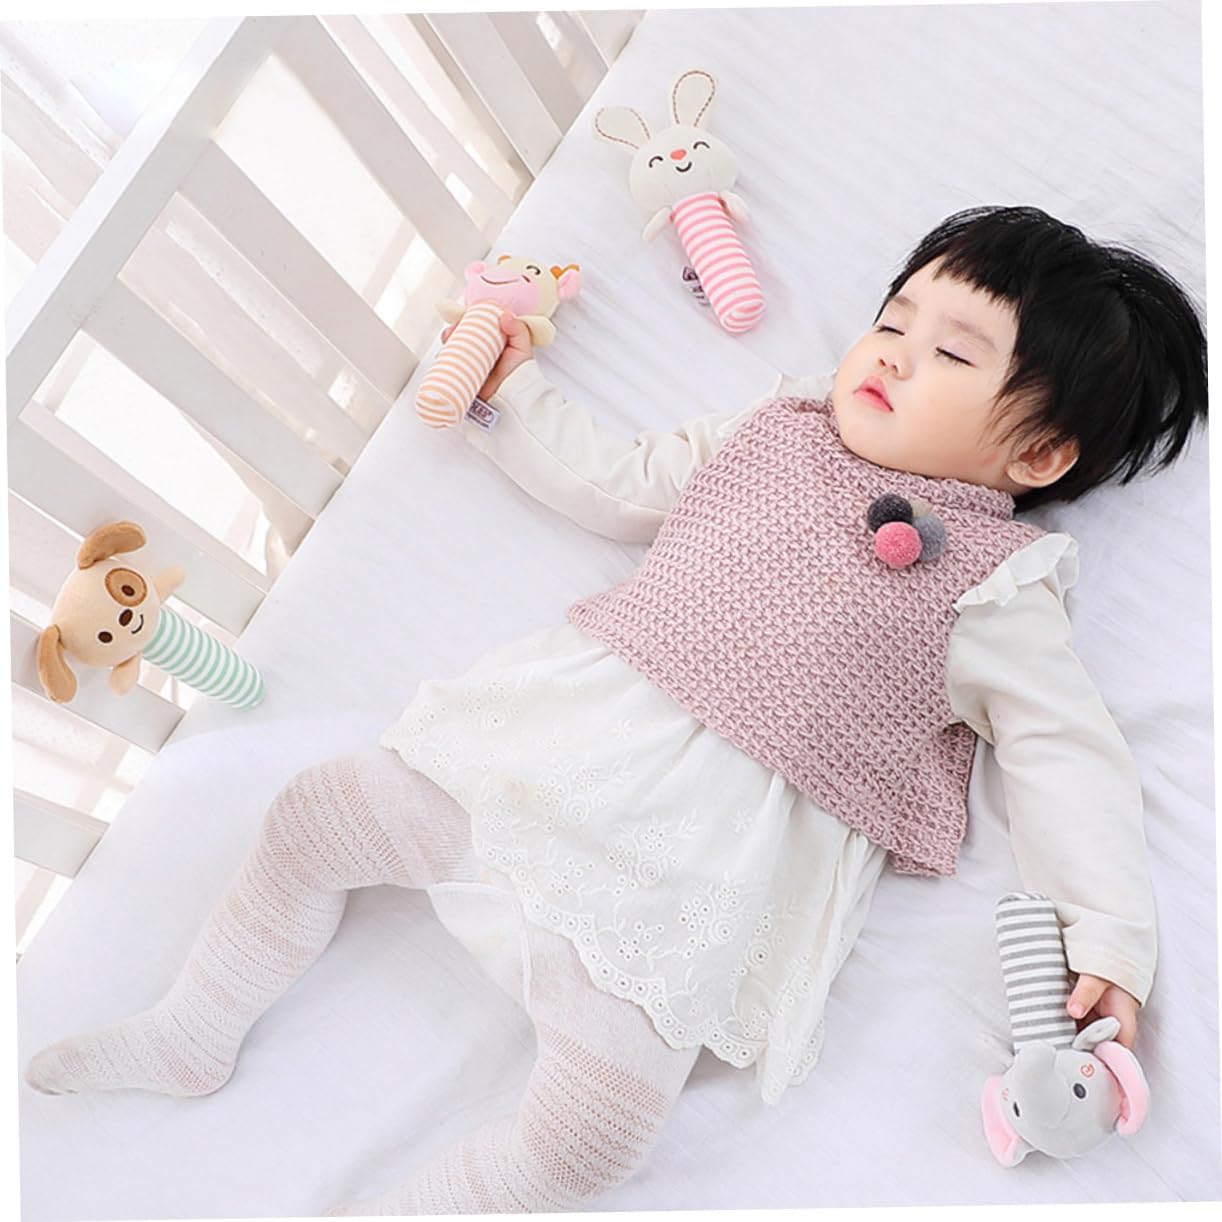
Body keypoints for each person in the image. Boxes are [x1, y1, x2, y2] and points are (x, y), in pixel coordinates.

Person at [23, 206, 1208, 1216]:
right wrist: (509, 392)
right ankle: (194, 1025)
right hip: (556, 758)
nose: (891, 355)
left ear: (1036, 454)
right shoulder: (775, 429)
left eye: (949, 354)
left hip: (689, 890)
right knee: (314, 813)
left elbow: (1066, 757)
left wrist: (1107, 940)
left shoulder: (997, 585)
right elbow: (622, 478)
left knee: (593, 1135)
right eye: (892, 320)